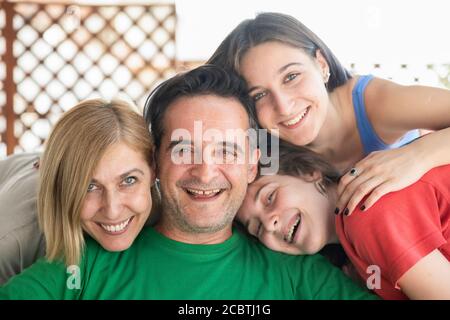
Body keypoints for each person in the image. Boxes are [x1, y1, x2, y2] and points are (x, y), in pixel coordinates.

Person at [1, 65, 377, 299]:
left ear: (251, 164)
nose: (204, 171)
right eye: (183, 150)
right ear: (155, 163)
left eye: (227, 150)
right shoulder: (84, 263)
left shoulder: (296, 272)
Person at [208, 12, 450, 217]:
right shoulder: (264, 151)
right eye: (259, 95)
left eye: (291, 77)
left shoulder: (374, 103)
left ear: (322, 65)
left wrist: (416, 157)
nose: (283, 106)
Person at [236, 140, 450, 300]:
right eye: (256, 228)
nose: (268, 224)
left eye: (269, 197)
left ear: (308, 172)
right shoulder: (354, 261)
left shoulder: (365, 213)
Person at [0, 99, 155, 297]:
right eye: (89, 186)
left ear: (153, 171)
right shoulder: (11, 238)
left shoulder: (162, 204)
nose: (112, 210)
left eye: (129, 180)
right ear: (63, 187)